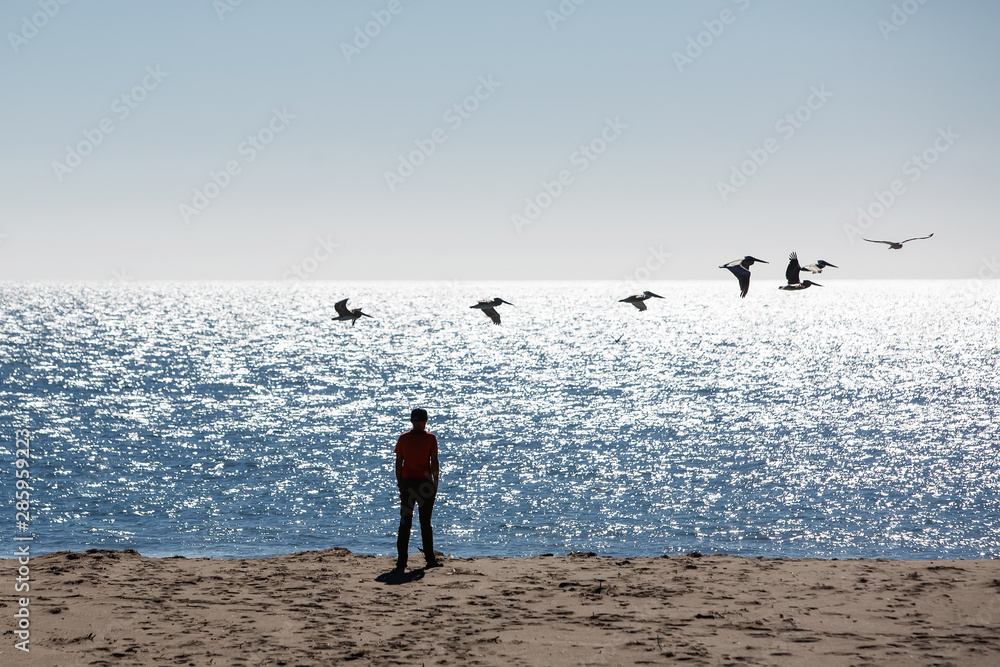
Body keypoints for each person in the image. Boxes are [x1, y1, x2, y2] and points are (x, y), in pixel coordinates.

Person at [394, 408, 441, 570]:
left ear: (412, 421)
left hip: (407, 483)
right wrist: (436, 482)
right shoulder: (430, 438)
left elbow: (398, 463)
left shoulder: (403, 438)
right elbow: (434, 462)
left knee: (405, 523)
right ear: (425, 421)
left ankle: (401, 561)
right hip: (425, 484)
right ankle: (430, 559)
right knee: (425, 523)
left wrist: (400, 482)